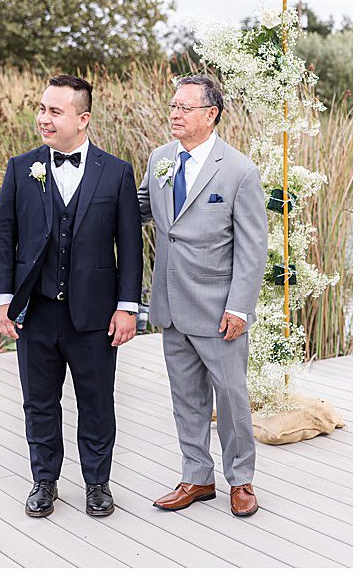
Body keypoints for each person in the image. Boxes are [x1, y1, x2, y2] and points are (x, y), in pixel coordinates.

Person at [0, 74, 143, 518]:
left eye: (55, 111)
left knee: (97, 401)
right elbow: (3, 236)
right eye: (42, 109)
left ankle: (97, 484)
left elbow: (130, 245)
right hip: (34, 311)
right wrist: (3, 299)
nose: (44, 118)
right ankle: (44, 481)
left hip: (94, 314)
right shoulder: (21, 168)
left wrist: (127, 308)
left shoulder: (116, 172)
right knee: (39, 402)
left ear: (83, 118)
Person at [138, 74, 266, 517]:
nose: (174, 114)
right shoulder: (160, 159)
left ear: (210, 115)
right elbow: (139, 207)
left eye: (184, 107)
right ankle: (197, 477)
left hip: (218, 309)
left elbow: (252, 247)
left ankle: (241, 480)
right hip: (171, 304)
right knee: (186, 398)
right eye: (172, 106)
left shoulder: (239, 170)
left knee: (231, 397)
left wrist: (239, 308)